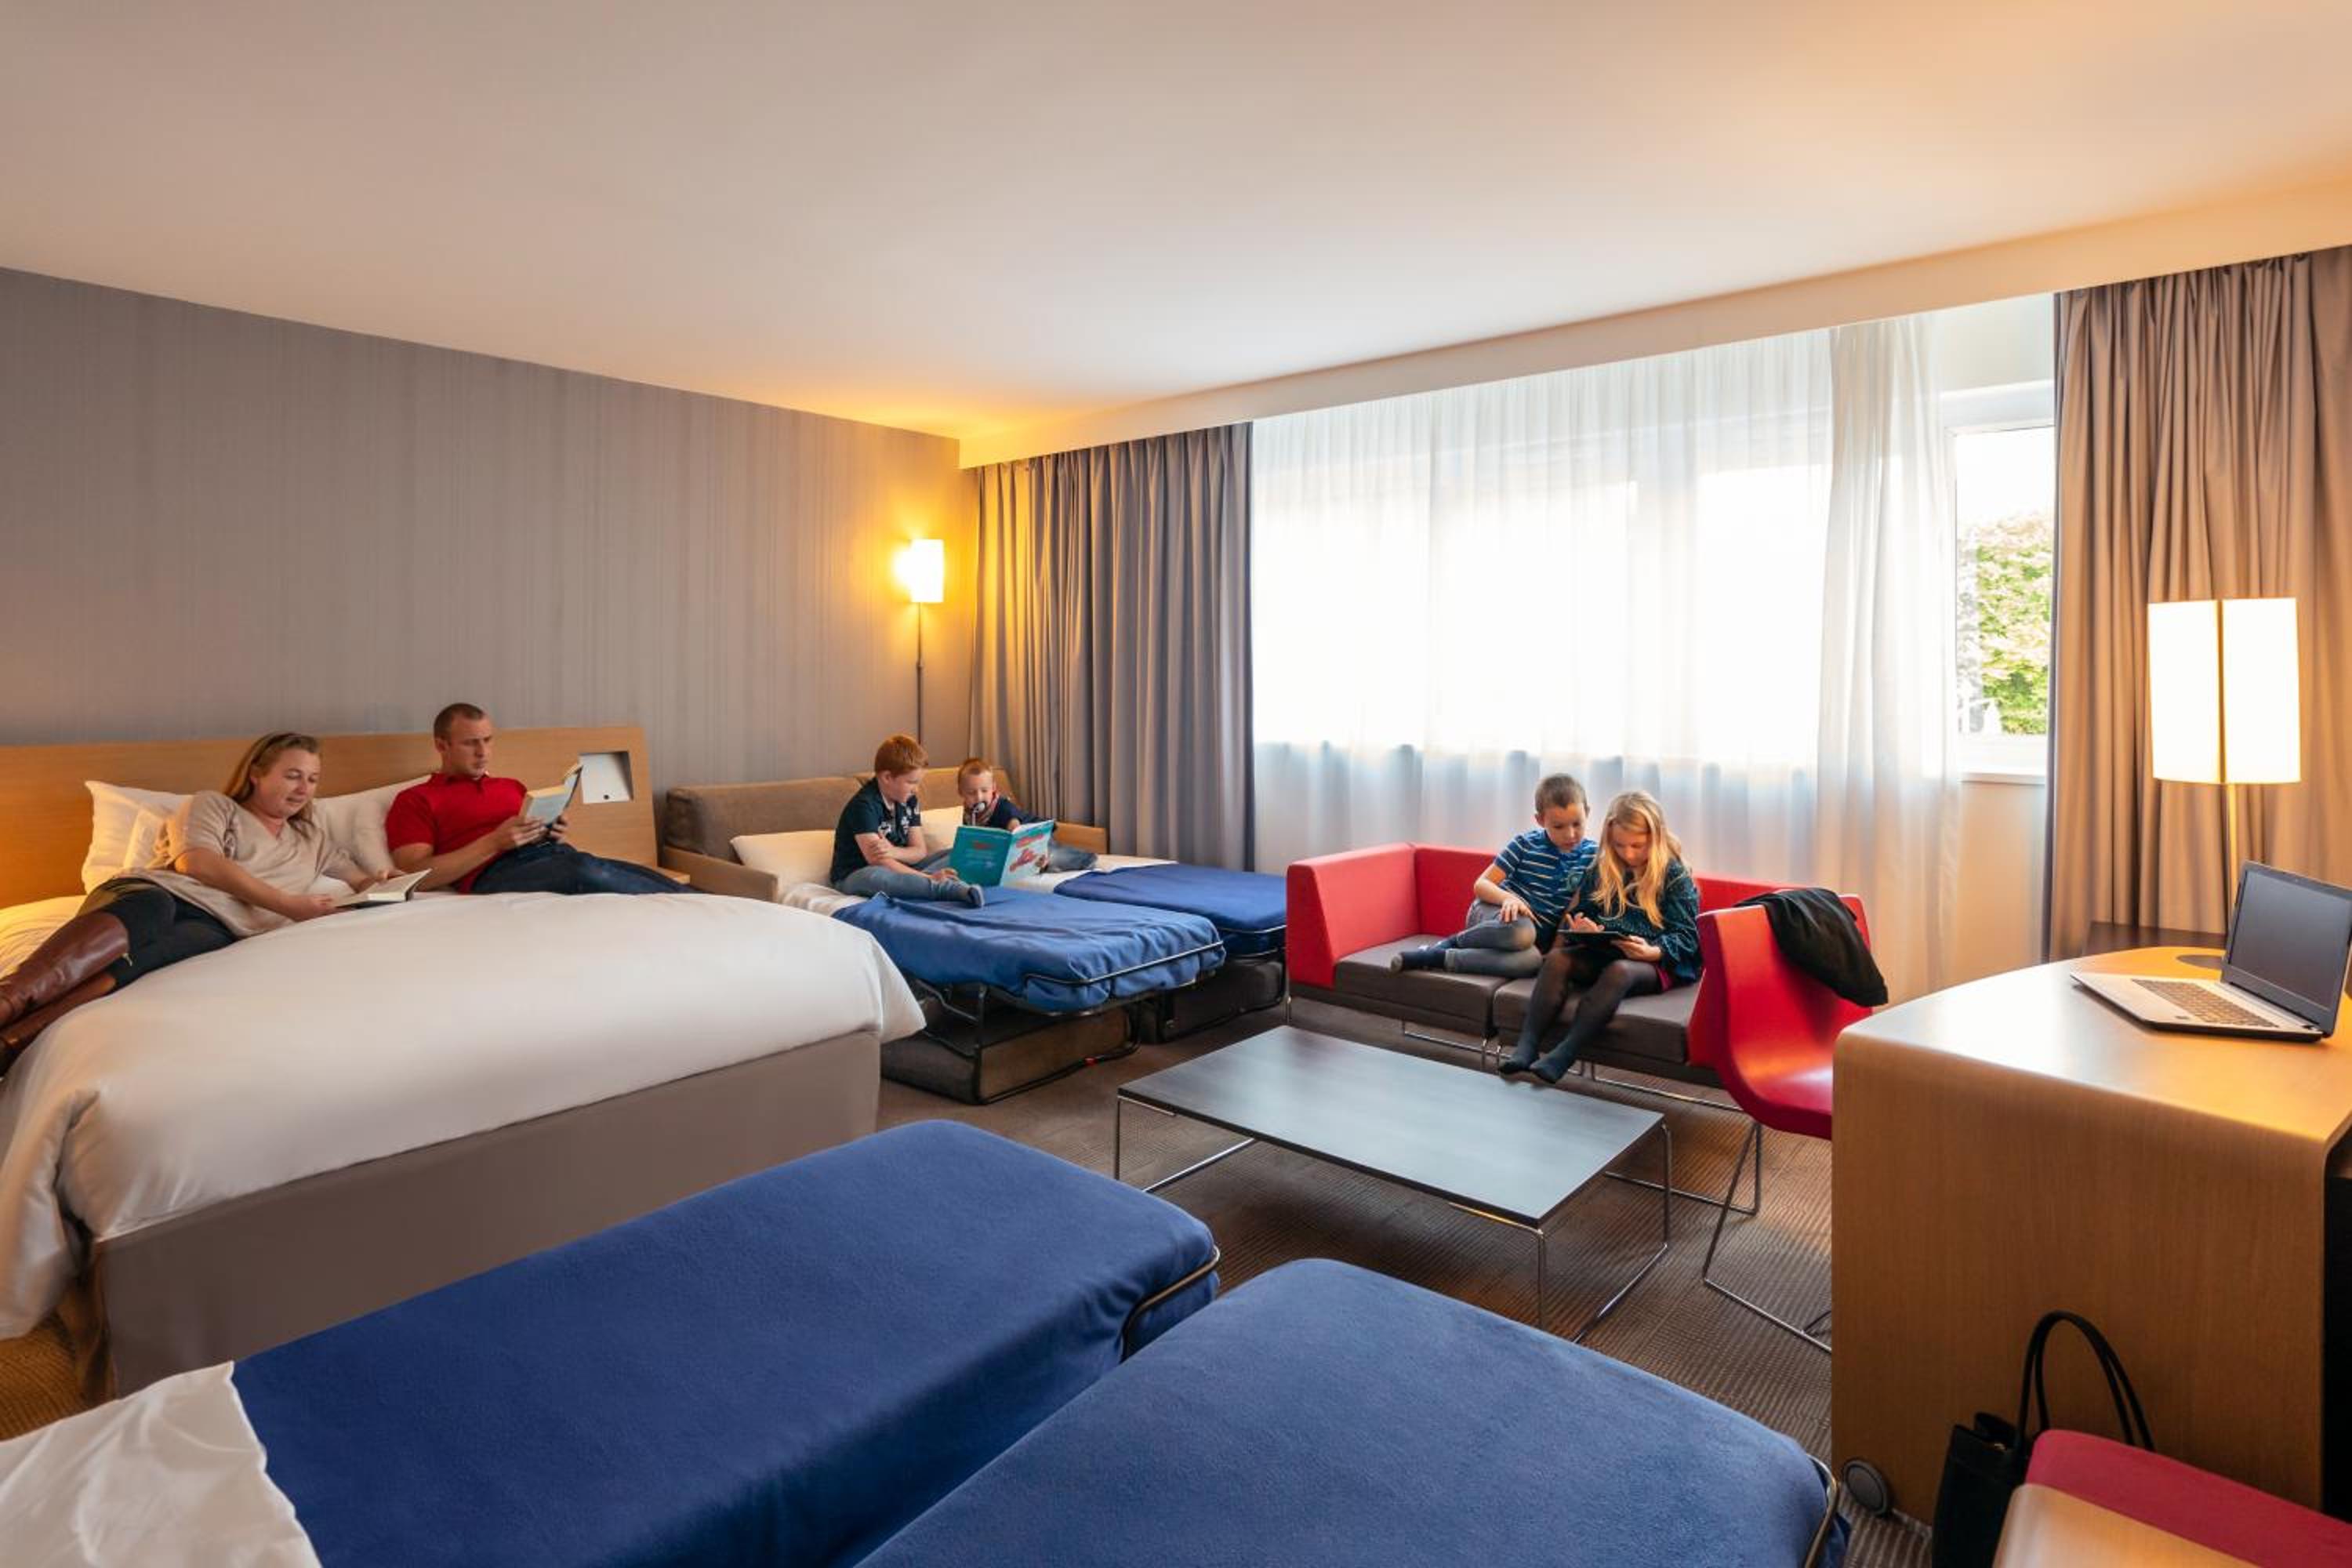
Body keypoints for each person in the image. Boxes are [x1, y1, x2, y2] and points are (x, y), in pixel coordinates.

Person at [0, 731, 399, 1070]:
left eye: (312, 779)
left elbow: (361, 879)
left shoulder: (312, 839)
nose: (303, 789)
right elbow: (197, 863)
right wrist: (288, 905)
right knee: (152, 914)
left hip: (216, 925)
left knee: (164, 953)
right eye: (292, 775)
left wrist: (386, 880)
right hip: (153, 896)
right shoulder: (216, 806)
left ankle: (12, 1044)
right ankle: (9, 998)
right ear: (257, 774)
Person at [1498, 789, 1701, 1083]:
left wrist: (1654, 951)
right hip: (1607, 950)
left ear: (1656, 838)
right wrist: (1584, 926)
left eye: (1637, 846)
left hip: (1656, 961)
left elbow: (1688, 937)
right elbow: (1585, 909)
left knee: (1620, 971)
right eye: (1619, 845)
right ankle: (1526, 1046)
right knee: (1557, 960)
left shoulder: (1674, 874)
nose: (1628, 854)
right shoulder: (1603, 866)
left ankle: (1565, 1053)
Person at [386, 703, 683, 896]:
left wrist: (550, 830)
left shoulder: (511, 786)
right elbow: (414, 875)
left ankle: (704, 905)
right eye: (470, 743)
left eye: (488, 740)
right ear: (441, 746)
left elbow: (535, 836)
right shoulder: (416, 799)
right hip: (494, 874)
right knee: (584, 870)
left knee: (621, 869)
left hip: (557, 856)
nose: (483, 752)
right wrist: (494, 843)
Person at [1390, 774, 1595, 978]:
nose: (1570, 834)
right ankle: (1453, 942)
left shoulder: (1592, 856)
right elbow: (1481, 885)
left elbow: (1572, 911)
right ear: (1540, 820)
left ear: (1587, 813)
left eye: (1577, 824)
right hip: (1493, 915)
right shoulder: (1525, 844)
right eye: (1559, 826)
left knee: (1532, 961)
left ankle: (1438, 958)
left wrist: (1555, 951)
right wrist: (1509, 899)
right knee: (1522, 932)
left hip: (1530, 942)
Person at [830, 735, 983, 906]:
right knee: (876, 876)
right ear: (887, 777)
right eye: (911, 782)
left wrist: (894, 852)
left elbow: (920, 851)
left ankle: (924, 883)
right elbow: (878, 860)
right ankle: (945, 888)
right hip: (857, 874)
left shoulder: (909, 800)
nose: (916, 789)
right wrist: (929, 878)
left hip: (905, 868)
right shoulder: (864, 805)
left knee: (961, 852)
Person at [948, 757, 1096, 873]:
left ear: (993, 788)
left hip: (1034, 837)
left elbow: (1017, 833)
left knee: (1052, 857)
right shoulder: (970, 814)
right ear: (961, 792)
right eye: (971, 793)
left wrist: (1037, 852)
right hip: (1015, 851)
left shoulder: (1003, 808)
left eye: (984, 791)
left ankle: (1086, 859)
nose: (979, 797)